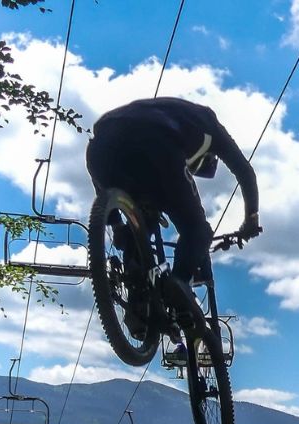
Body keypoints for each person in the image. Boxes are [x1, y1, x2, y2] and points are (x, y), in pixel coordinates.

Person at [86, 98, 260, 359]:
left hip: (100, 149)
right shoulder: (209, 126)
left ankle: (137, 296)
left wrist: (115, 224)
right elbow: (246, 173)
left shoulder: (172, 112)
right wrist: (251, 220)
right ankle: (179, 282)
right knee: (197, 229)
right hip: (157, 144)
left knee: (134, 225)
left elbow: (102, 189)